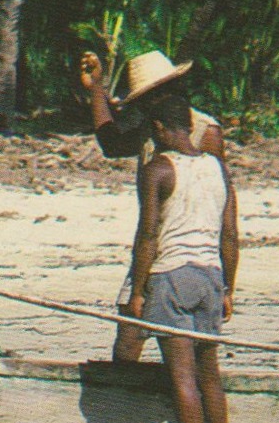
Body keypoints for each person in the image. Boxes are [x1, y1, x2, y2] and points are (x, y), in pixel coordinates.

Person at [78, 49, 225, 362]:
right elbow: (112, 144)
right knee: (130, 336)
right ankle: (125, 403)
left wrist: (228, 284)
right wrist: (96, 89)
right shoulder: (150, 127)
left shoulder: (205, 131)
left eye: (147, 99)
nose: (142, 106)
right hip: (155, 251)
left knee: (189, 356)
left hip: (185, 253)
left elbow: (224, 207)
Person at [126, 93, 239, 423]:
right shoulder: (219, 169)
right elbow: (229, 235)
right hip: (210, 276)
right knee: (210, 375)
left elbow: (148, 236)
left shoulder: (158, 168)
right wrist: (228, 289)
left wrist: (137, 291)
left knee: (183, 376)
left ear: (158, 128)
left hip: (171, 275)